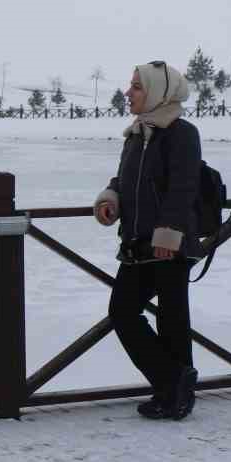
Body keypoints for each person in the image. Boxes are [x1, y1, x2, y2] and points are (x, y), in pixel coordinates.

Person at [93, 61, 203, 421]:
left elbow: (183, 187)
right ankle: (174, 382)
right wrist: (110, 198)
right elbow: (126, 180)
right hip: (138, 243)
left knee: (171, 321)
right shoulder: (138, 133)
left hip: (169, 245)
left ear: (158, 92)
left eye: (137, 87)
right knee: (122, 313)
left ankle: (173, 392)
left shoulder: (180, 133)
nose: (129, 92)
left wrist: (168, 235)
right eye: (131, 85)